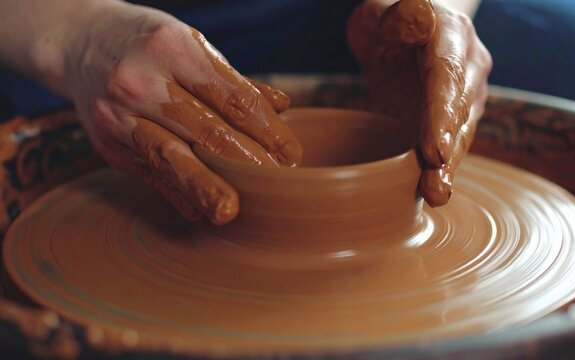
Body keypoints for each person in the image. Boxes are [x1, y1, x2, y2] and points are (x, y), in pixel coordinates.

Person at [0, 0, 491, 224]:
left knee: (564, 47)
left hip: (331, 18)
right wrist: (75, 39)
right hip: (75, 27)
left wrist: (417, 15)